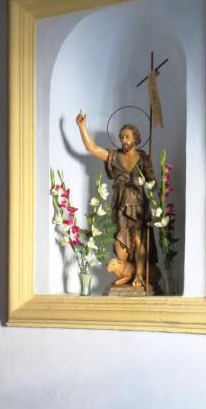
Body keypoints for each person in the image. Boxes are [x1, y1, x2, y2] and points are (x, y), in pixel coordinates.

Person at [75, 110, 158, 290]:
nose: (124, 140)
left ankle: (139, 275)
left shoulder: (144, 159)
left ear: (135, 138)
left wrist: (151, 192)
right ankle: (127, 273)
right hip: (120, 206)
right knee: (120, 243)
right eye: (121, 137)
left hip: (138, 205)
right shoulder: (114, 156)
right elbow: (92, 148)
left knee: (139, 240)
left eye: (127, 137)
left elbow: (152, 184)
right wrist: (82, 127)